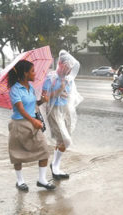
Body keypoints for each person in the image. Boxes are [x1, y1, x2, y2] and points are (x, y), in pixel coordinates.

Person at [7, 60, 55, 192]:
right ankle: (20, 181)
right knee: (17, 154)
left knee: (44, 150)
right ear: (25, 73)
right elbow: (21, 109)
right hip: (19, 125)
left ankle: (42, 180)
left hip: (33, 123)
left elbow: (32, 106)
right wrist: (33, 121)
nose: (35, 73)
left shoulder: (31, 88)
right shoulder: (15, 89)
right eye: (32, 71)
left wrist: (41, 101)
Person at [42, 50, 82, 180]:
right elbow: (44, 98)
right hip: (54, 111)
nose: (69, 70)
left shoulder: (69, 79)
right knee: (66, 140)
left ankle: (55, 167)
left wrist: (65, 93)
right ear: (60, 64)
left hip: (65, 110)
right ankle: (55, 166)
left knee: (62, 140)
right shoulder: (50, 78)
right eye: (67, 66)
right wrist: (58, 91)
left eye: (70, 68)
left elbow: (70, 95)